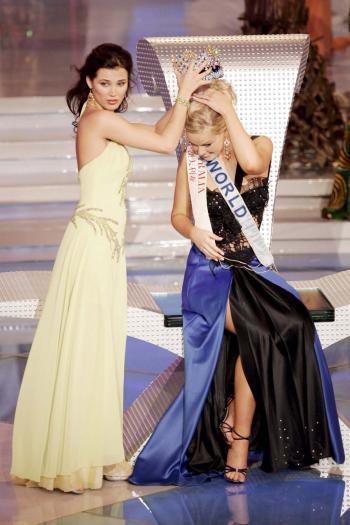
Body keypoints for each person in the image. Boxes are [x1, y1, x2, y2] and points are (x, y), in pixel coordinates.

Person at [10, 42, 209, 493]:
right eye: (106, 83)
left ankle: (95, 451)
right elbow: (163, 142)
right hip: (93, 244)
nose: (115, 90)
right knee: (87, 345)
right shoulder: (98, 120)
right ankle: (76, 457)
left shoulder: (108, 121)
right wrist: (183, 92)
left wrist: (183, 98)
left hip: (103, 245)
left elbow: (158, 130)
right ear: (89, 83)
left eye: (121, 83)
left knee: (99, 347)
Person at [129, 69, 344, 485]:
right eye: (192, 144)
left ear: (226, 128)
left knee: (294, 324)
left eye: (206, 143)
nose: (198, 151)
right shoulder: (191, 163)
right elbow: (177, 214)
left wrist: (224, 106)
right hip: (210, 274)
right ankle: (239, 442)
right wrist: (193, 231)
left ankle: (237, 422)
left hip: (253, 270)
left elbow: (251, 164)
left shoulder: (258, 145)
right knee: (258, 331)